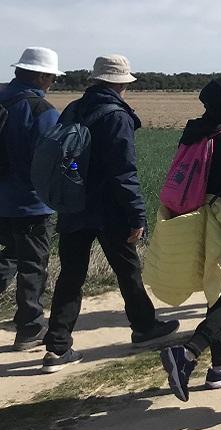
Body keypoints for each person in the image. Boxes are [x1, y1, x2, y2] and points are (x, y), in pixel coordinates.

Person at [43, 55, 178, 373]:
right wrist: (137, 216)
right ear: (120, 83)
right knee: (128, 269)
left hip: (74, 203)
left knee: (71, 275)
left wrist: (77, 182)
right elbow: (124, 172)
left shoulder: (74, 108)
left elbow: (66, 157)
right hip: (109, 209)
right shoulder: (116, 116)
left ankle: (57, 347)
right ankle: (144, 327)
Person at [160, 76, 221, 401]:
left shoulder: (194, 134)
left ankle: (220, 365)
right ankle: (188, 353)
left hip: (198, 222)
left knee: (216, 291)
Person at [0, 48, 62, 350]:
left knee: (7, 257)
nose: (51, 83)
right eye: (51, 77)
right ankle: (30, 327)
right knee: (32, 266)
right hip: (31, 203)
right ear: (41, 76)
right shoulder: (42, 111)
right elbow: (59, 158)